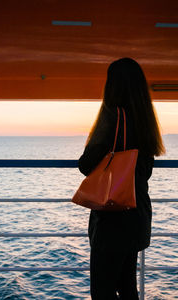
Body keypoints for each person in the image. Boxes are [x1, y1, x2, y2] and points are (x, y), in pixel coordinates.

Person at [78, 58, 165, 299]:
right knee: (127, 287)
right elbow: (144, 172)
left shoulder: (113, 117)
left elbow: (86, 165)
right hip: (136, 215)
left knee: (102, 291)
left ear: (112, 86)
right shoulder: (145, 120)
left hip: (113, 219)